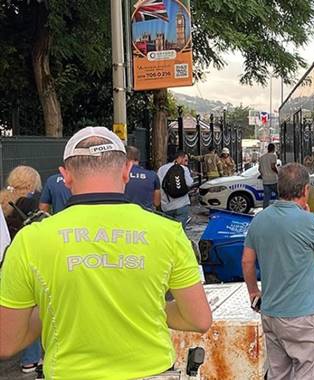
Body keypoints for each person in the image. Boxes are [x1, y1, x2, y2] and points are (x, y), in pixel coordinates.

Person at [0, 127, 212, 379]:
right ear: (126, 172)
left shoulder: (30, 240)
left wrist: (58, 309)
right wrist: (145, 308)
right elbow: (199, 320)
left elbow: (8, 343)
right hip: (153, 372)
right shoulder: (168, 233)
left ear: (65, 176)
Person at [242, 163, 314, 380]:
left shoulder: (260, 219)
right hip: (301, 316)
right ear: (305, 190)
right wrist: (310, 218)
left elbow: (247, 261)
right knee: (307, 371)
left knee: (278, 373)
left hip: (271, 313)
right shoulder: (307, 220)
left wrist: (254, 292)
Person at [0, 165, 43, 374]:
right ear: (32, 184)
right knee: (30, 307)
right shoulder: (30, 203)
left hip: (3, 262)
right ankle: (30, 360)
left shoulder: (2, 200)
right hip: (21, 262)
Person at [158, 150, 195, 228]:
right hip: (182, 204)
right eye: (185, 160)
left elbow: (159, 186)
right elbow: (190, 183)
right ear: (180, 158)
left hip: (166, 206)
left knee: (169, 231)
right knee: (180, 231)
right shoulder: (184, 169)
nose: (186, 163)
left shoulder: (162, 169)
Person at [124, 146, 161, 210]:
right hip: (146, 214)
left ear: (125, 158)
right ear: (138, 158)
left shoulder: (119, 175)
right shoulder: (152, 175)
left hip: (125, 214)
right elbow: (156, 203)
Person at [259, 143, 279, 208]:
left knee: (266, 197)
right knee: (279, 195)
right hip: (273, 180)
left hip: (265, 181)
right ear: (273, 149)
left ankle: (265, 210)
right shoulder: (273, 156)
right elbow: (273, 166)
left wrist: (263, 175)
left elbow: (259, 169)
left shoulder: (262, 157)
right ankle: (277, 208)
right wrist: (278, 173)